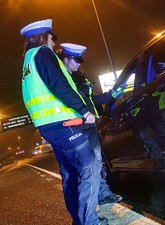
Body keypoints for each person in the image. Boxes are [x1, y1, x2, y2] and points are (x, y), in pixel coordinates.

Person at [20, 19, 107, 225]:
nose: (54, 43)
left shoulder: (28, 60)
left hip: (48, 126)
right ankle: (88, 222)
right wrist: (84, 111)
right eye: (53, 37)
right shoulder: (42, 53)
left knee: (69, 173)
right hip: (63, 123)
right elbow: (59, 85)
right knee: (90, 168)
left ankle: (80, 220)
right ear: (44, 37)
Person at [56, 43, 123, 205]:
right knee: (86, 167)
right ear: (65, 59)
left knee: (97, 162)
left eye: (81, 60)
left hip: (90, 126)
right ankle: (90, 204)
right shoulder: (60, 80)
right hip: (76, 128)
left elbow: (93, 100)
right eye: (76, 59)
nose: (79, 63)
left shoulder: (80, 78)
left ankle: (101, 194)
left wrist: (113, 94)